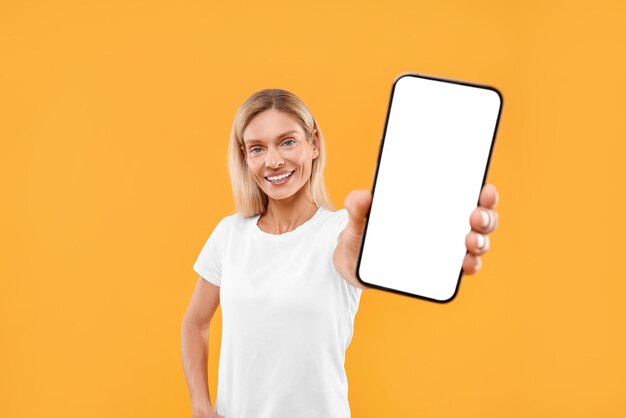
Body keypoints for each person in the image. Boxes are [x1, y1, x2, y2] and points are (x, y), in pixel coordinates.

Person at [180, 89, 500, 418]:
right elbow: (195, 323)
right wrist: (200, 404)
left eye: (287, 141)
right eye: (258, 148)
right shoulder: (229, 234)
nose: (273, 160)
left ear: (314, 144)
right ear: (245, 157)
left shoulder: (339, 231)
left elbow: (349, 258)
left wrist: (378, 243)